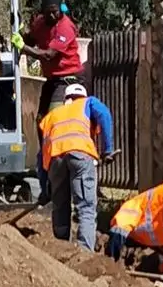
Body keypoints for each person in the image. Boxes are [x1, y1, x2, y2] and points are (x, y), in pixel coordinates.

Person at [20, 0, 83, 203]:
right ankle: (46, 166)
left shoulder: (65, 27)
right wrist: (20, 35)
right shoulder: (40, 23)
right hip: (50, 80)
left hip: (68, 79)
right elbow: (30, 37)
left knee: (53, 122)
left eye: (56, 12)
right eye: (49, 13)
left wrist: (24, 48)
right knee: (40, 123)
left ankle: (58, 164)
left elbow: (48, 54)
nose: (53, 16)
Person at [37, 80, 114, 250]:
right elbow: (105, 115)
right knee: (86, 207)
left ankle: (60, 249)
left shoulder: (52, 116)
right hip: (79, 155)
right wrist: (107, 150)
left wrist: (44, 189)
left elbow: (41, 153)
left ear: (66, 99)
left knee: (60, 206)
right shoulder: (88, 103)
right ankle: (84, 254)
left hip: (55, 160)